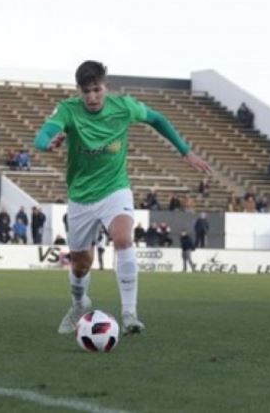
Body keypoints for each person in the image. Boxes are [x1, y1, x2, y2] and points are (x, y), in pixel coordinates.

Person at [34, 60, 211, 335]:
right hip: (81, 196)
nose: (92, 97)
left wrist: (185, 151)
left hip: (115, 189)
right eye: (86, 91)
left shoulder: (124, 106)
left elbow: (157, 119)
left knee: (123, 238)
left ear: (105, 86)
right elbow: (42, 134)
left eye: (97, 89)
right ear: (79, 91)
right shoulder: (68, 109)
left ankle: (130, 313)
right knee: (81, 264)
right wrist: (49, 142)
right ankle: (79, 305)